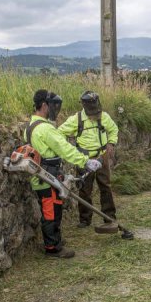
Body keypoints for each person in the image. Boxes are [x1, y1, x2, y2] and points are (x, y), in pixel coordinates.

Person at [25, 89, 102, 259]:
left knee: (53, 208)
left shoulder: (31, 126)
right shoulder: (45, 129)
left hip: (43, 176)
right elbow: (65, 148)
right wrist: (85, 161)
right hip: (46, 176)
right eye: (52, 106)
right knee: (51, 212)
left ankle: (55, 239)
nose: (54, 109)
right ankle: (53, 248)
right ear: (44, 105)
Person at [59, 90, 119, 229]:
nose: (95, 115)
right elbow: (60, 133)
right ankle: (85, 219)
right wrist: (71, 150)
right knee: (85, 189)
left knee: (105, 186)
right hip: (83, 160)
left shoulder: (104, 117)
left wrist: (111, 143)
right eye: (92, 113)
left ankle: (109, 216)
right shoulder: (76, 120)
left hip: (102, 156)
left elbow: (114, 130)